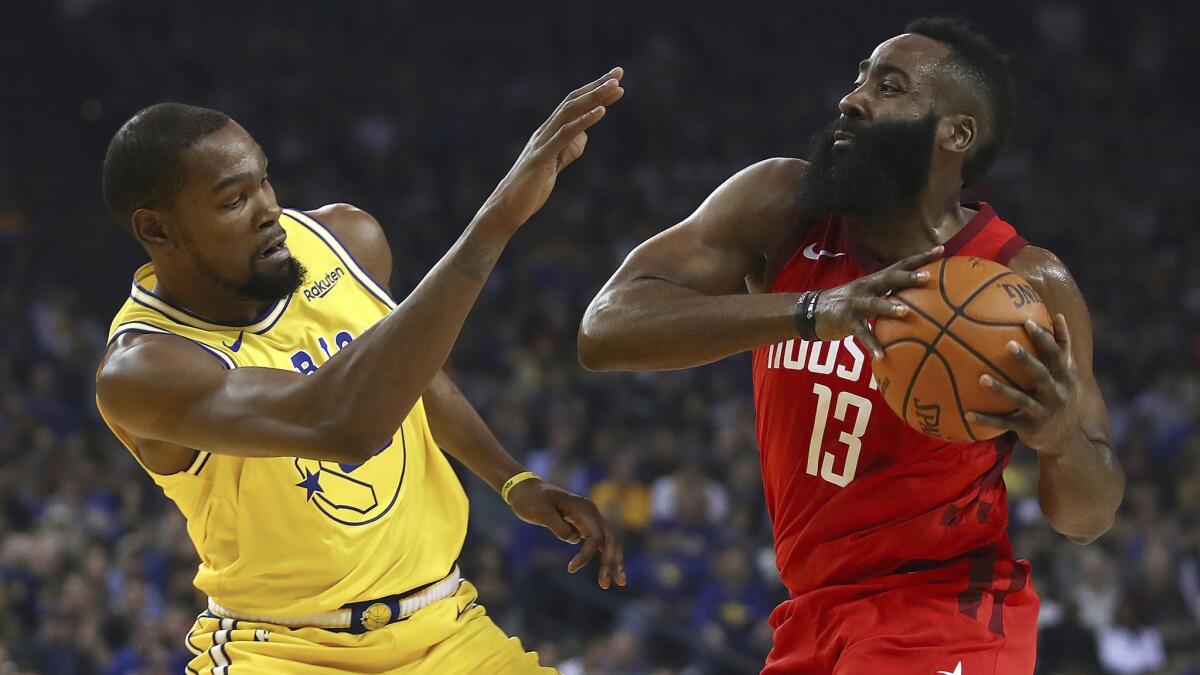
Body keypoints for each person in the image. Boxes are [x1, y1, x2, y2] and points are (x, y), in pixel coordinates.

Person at [579, 18, 1124, 674]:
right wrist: (808, 310)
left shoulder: (1025, 282)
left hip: (945, 611)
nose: (852, 98)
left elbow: (1089, 516)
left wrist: (1063, 437)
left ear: (956, 133)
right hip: (810, 612)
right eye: (859, 76)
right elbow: (604, 330)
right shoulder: (782, 205)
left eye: (889, 86)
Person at [94, 68, 627, 674]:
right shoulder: (144, 370)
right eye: (234, 200)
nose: (268, 209)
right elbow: (346, 423)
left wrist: (513, 480)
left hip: (446, 628)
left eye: (264, 181)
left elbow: (410, 375)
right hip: (286, 652)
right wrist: (494, 223)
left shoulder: (342, 238)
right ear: (155, 229)